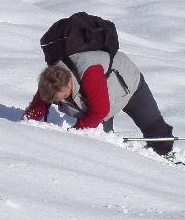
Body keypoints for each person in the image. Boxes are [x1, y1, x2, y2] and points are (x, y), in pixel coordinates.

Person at [23, 49, 174, 156]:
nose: (60, 101)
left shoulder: (90, 72)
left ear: (68, 84)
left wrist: (74, 132)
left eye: (61, 97)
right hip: (101, 99)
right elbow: (38, 106)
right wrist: (24, 126)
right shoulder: (50, 81)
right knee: (101, 146)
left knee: (155, 128)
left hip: (128, 84)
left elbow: (100, 111)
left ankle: (164, 154)